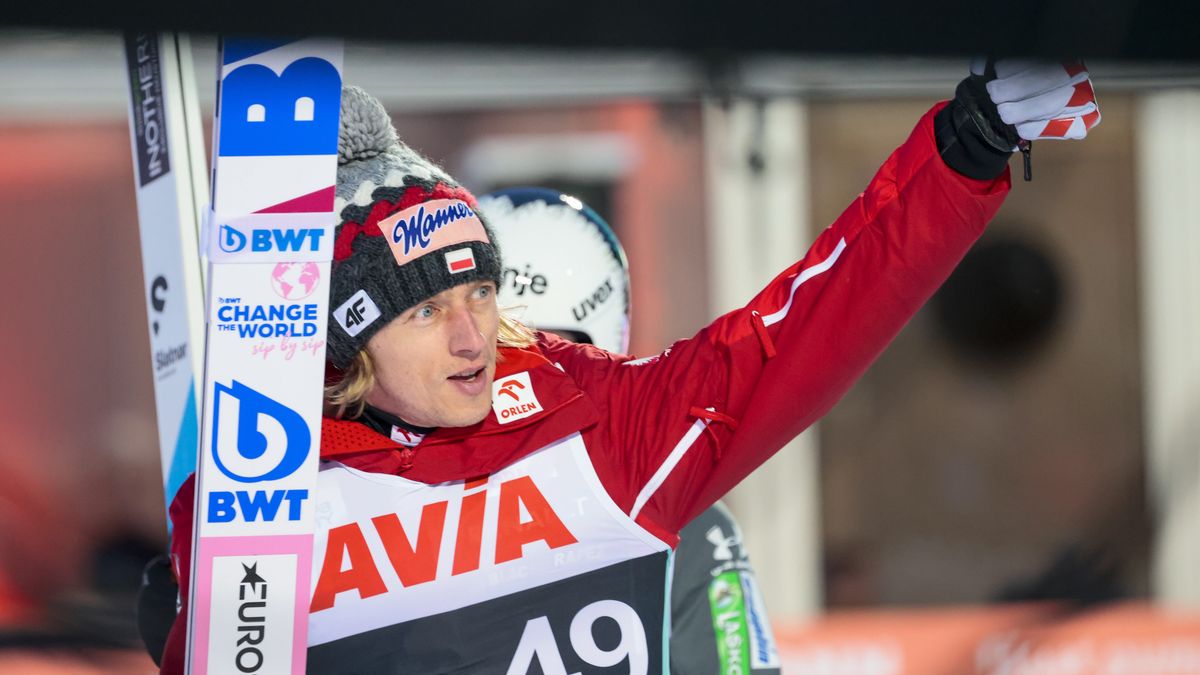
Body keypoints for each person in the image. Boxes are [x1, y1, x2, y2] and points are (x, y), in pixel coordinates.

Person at [158, 62, 1099, 673]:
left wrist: (962, 149)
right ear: (345, 340)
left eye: (480, 292)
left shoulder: (600, 431)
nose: (470, 337)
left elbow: (805, 324)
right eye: (426, 309)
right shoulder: (255, 494)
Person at [479, 186, 781, 673]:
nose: (513, 380)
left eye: (548, 354)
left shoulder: (683, 519)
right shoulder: (382, 505)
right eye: (494, 352)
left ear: (600, 353)